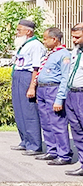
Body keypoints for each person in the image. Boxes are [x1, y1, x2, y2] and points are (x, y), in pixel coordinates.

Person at [32, 27, 73, 165]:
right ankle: (52, 150)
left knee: (58, 123)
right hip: (43, 90)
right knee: (46, 122)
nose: (44, 42)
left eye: (45, 39)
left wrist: (59, 99)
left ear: (54, 39)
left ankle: (64, 154)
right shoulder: (50, 54)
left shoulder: (64, 55)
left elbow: (65, 78)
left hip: (53, 89)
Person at [8, 19, 45, 154]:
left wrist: (31, 87)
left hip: (27, 77)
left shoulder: (36, 45)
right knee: (19, 111)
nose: (17, 33)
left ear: (28, 31)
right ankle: (25, 141)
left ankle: (34, 145)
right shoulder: (24, 44)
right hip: (18, 75)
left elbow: (36, 67)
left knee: (29, 112)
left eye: (19, 30)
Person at [61, 23, 83, 176]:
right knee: (77, 130)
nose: (74, 40)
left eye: (77, 37)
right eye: (73, 37)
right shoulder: (75, 50)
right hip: (72, 94)